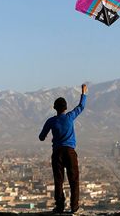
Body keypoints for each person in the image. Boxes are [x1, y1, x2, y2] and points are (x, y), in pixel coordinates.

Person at [38, 84, 87, 214]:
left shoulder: (51, 121)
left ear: (55, 108)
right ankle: (74, 206)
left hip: (57, 153)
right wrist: (84, 94)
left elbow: (41, 137)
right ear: (65, 108)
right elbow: (81, 107)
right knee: (74, 180)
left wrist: (49, 134)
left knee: (59, 180)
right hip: (70, 152)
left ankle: (59, 206)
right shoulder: (70, 117)